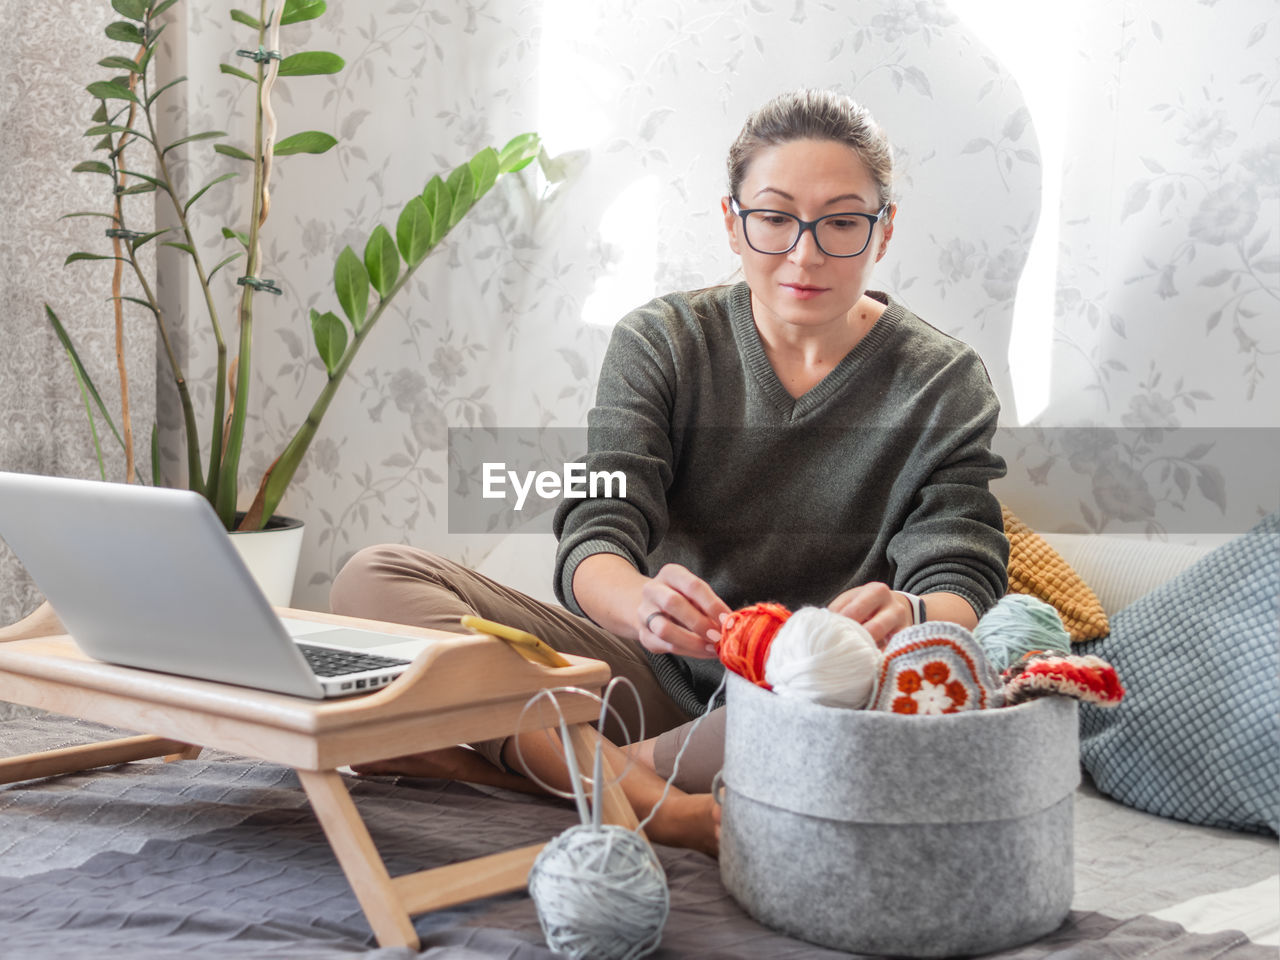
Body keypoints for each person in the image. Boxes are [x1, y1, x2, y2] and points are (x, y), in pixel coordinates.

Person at [330, 89, 1009, 857]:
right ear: (732, 222)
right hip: (639, 681)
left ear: (882, 233)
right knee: (371, 579)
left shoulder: (943, 381)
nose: (805, 252)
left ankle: (555, 770)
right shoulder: (663, 340)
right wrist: (642, 605)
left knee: (903, 690)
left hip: (798, 706)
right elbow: (600, 526)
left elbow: (961, 572)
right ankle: (658, 800)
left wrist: (911, 617)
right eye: (776, 216)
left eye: (843, 222)